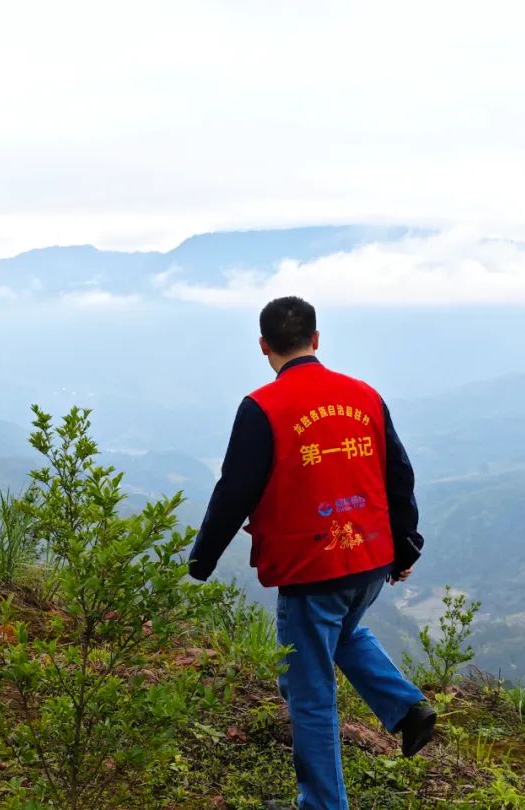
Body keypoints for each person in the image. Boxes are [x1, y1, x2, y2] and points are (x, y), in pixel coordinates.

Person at [187, 296, 436, 810]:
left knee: (310, 692)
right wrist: (406, 543)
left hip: (313, 568)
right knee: (343, 631)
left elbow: (235, 490)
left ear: (264, 347)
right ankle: (406, 709)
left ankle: (322, 805)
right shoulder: (364, 395)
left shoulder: (262, 408)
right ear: (316, 340)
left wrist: (203, 556)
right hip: (368, 558)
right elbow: (399, 474)